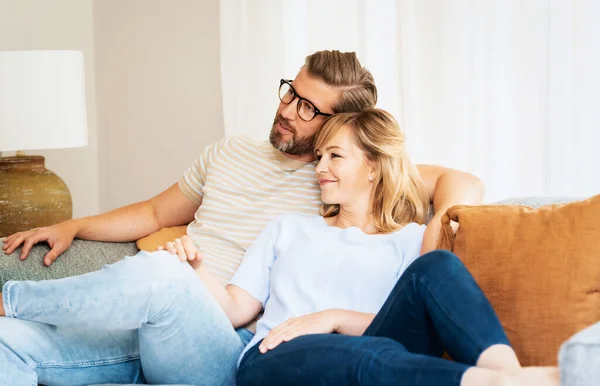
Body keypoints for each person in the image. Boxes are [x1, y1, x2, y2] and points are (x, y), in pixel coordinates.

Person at [0, 51, 483, 385]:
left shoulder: (338, 177)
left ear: (340, 130)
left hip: (223, 335)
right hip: (161, 318)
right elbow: (152, 212)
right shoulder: (231, 153)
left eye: (309, 108)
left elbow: (460, 183)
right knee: (6, 343)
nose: (287, 110)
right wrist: (74, 225)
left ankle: (10, 298)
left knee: (163, 277)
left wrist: (436, 231)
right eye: (291, 92)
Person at [170, 108, 560, 386]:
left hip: (379, 349)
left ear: (373, 166)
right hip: (277, 358)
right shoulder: (287, 229)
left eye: (335, 156)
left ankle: (510, 373)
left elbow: (414, 324)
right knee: (370, 358)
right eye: (319, 156)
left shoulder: (410, 239)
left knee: (437, 266)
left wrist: (334, 317)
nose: (320, 167)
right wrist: (195, 268)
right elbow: (237, 309)